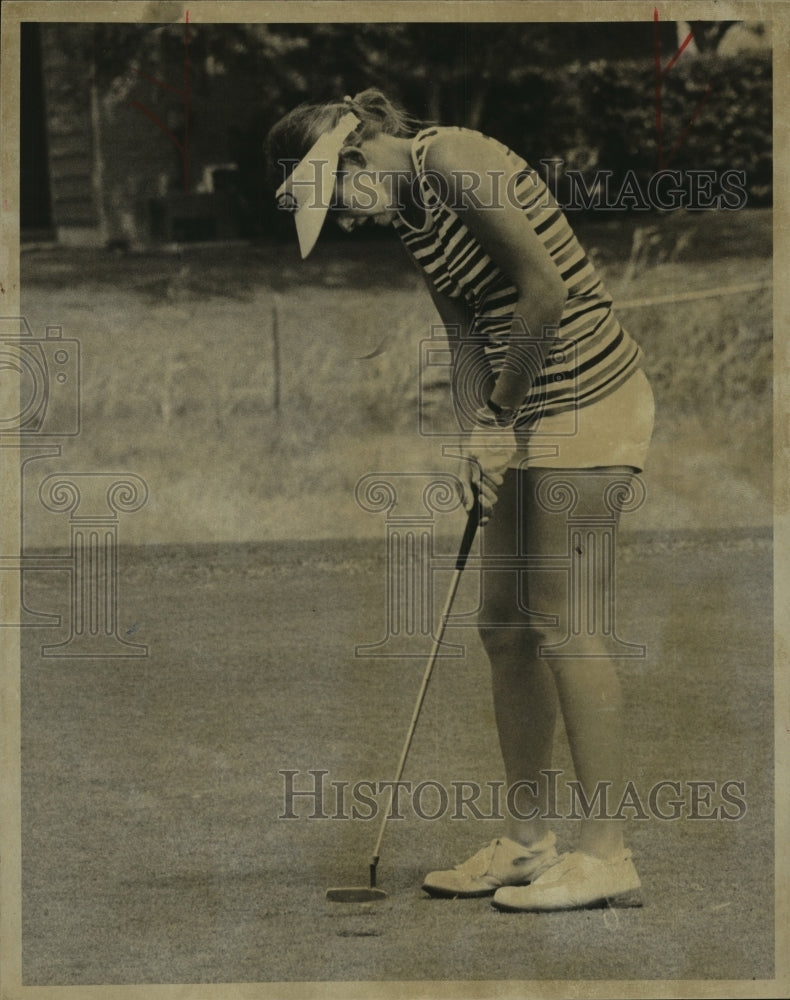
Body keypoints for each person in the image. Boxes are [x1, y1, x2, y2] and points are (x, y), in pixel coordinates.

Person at [266, 89, 654, 911]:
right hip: (526, 405)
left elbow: (543, 291)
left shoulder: (452, 161)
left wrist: (503, 416)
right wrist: (477, 429)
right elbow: (465, 330)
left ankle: (608, 853)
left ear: (358, 149)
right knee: (504, 625)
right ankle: (527, 841)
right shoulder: (410, 211)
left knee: (562, 622)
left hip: (591, 397)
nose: (342, 219)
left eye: (336, 196)